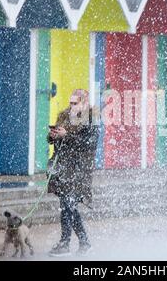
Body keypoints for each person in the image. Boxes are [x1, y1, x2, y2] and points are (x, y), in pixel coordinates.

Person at [46, 89, 99, 257]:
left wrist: (66, 135)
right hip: (63, 167)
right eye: (70, 103)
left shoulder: (91, 118)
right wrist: (52, 136)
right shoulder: (63, 116)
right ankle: (84, 242)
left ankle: (65, 243)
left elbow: (88, 144)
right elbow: (53, 140)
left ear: (84, 103)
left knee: (68, 204)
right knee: (68, 205)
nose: (71, 106)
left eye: (75, 103)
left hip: (80, 168)